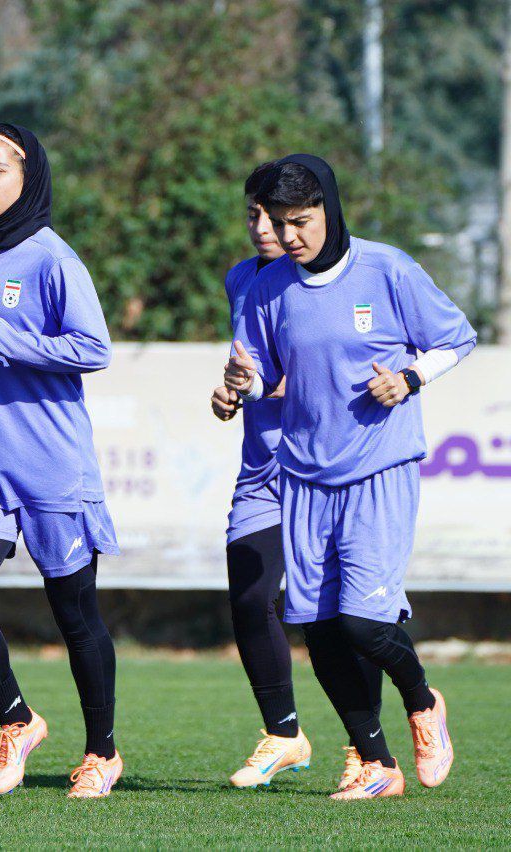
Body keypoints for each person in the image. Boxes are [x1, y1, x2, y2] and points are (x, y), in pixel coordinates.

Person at [225, 154, 471, 800]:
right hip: (303, 477)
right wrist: (240, 385)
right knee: (321, 628)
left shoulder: (387, 269)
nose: (289, 236)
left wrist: (410, 378)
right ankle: (377, 765)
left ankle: (422, 701)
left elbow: (455, 338)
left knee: (363, 622)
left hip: (378, 469)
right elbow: (261, 375)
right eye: (279, 222)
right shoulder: (268, 288)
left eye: (301, 222)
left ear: (329, 210)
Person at [0, 124, 121, 800]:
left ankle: (102, 753)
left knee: (76, 616)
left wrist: (8, 340)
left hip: (50, 462)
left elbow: (94, 348)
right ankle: (17, 719)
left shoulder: (52, 259)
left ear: (27, 175)